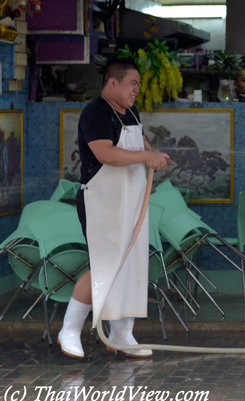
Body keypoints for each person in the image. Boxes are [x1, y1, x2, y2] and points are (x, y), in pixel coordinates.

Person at [58, 59, 170, 360]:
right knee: (105, 265)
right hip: (101, 202)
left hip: (131, 201)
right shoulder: (96, 111)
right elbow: (105, 153)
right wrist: (146, 155)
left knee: (131, 264)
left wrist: (152, 152)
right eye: (133, 83)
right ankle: (69, 328)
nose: (137, 89)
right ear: (113, 83)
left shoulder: (130, 111)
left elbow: (139, 139)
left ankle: (121, 332)